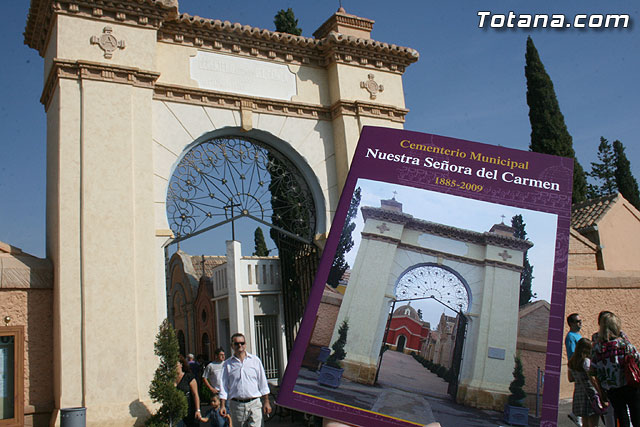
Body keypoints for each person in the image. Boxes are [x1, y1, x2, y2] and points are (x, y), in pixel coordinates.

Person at [591, 312, 640, 427]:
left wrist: (601, 390)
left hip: (612, 388)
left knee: (622, 417)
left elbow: (593, 371)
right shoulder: (623, 344)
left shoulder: (597, 348)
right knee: (636, 416)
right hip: (629, 384)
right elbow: (637, 359)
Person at [219, 333, 272, 427]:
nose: (240, 345)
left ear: (245, 344)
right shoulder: (227, 364)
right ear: (232, 346)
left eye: (242, 343)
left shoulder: (255, 361)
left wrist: (266, 402)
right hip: (237, 406)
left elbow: (263, 383)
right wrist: (222, 405)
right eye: (236, 343)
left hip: (254, 404)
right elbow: (223, 386)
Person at [568, 338, 603, 427]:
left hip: (579, 393)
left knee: (585, 423)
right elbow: (592, 379)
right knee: (593, 422)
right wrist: (601, 393)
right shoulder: (586, 361)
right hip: (590, 393)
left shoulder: (571, 362)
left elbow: (570, 378)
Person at [566, 313, 583, 426]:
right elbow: (572, 353)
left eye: (580, 321)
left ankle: (576, 414)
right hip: (577, 367)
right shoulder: (571, 337)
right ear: (571, 324)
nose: (580, 323)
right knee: (580, 390)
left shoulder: (578, 335)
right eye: (578, 321)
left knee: (580, 390)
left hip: (581, 366)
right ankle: (576, 414)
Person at [176, 355, 202, 426]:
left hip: (190, 410)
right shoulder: (171, 379)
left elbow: (195, 394)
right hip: (177, 412)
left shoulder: (189, 377)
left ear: (181, 365)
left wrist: (198, 410)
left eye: (176, 364)